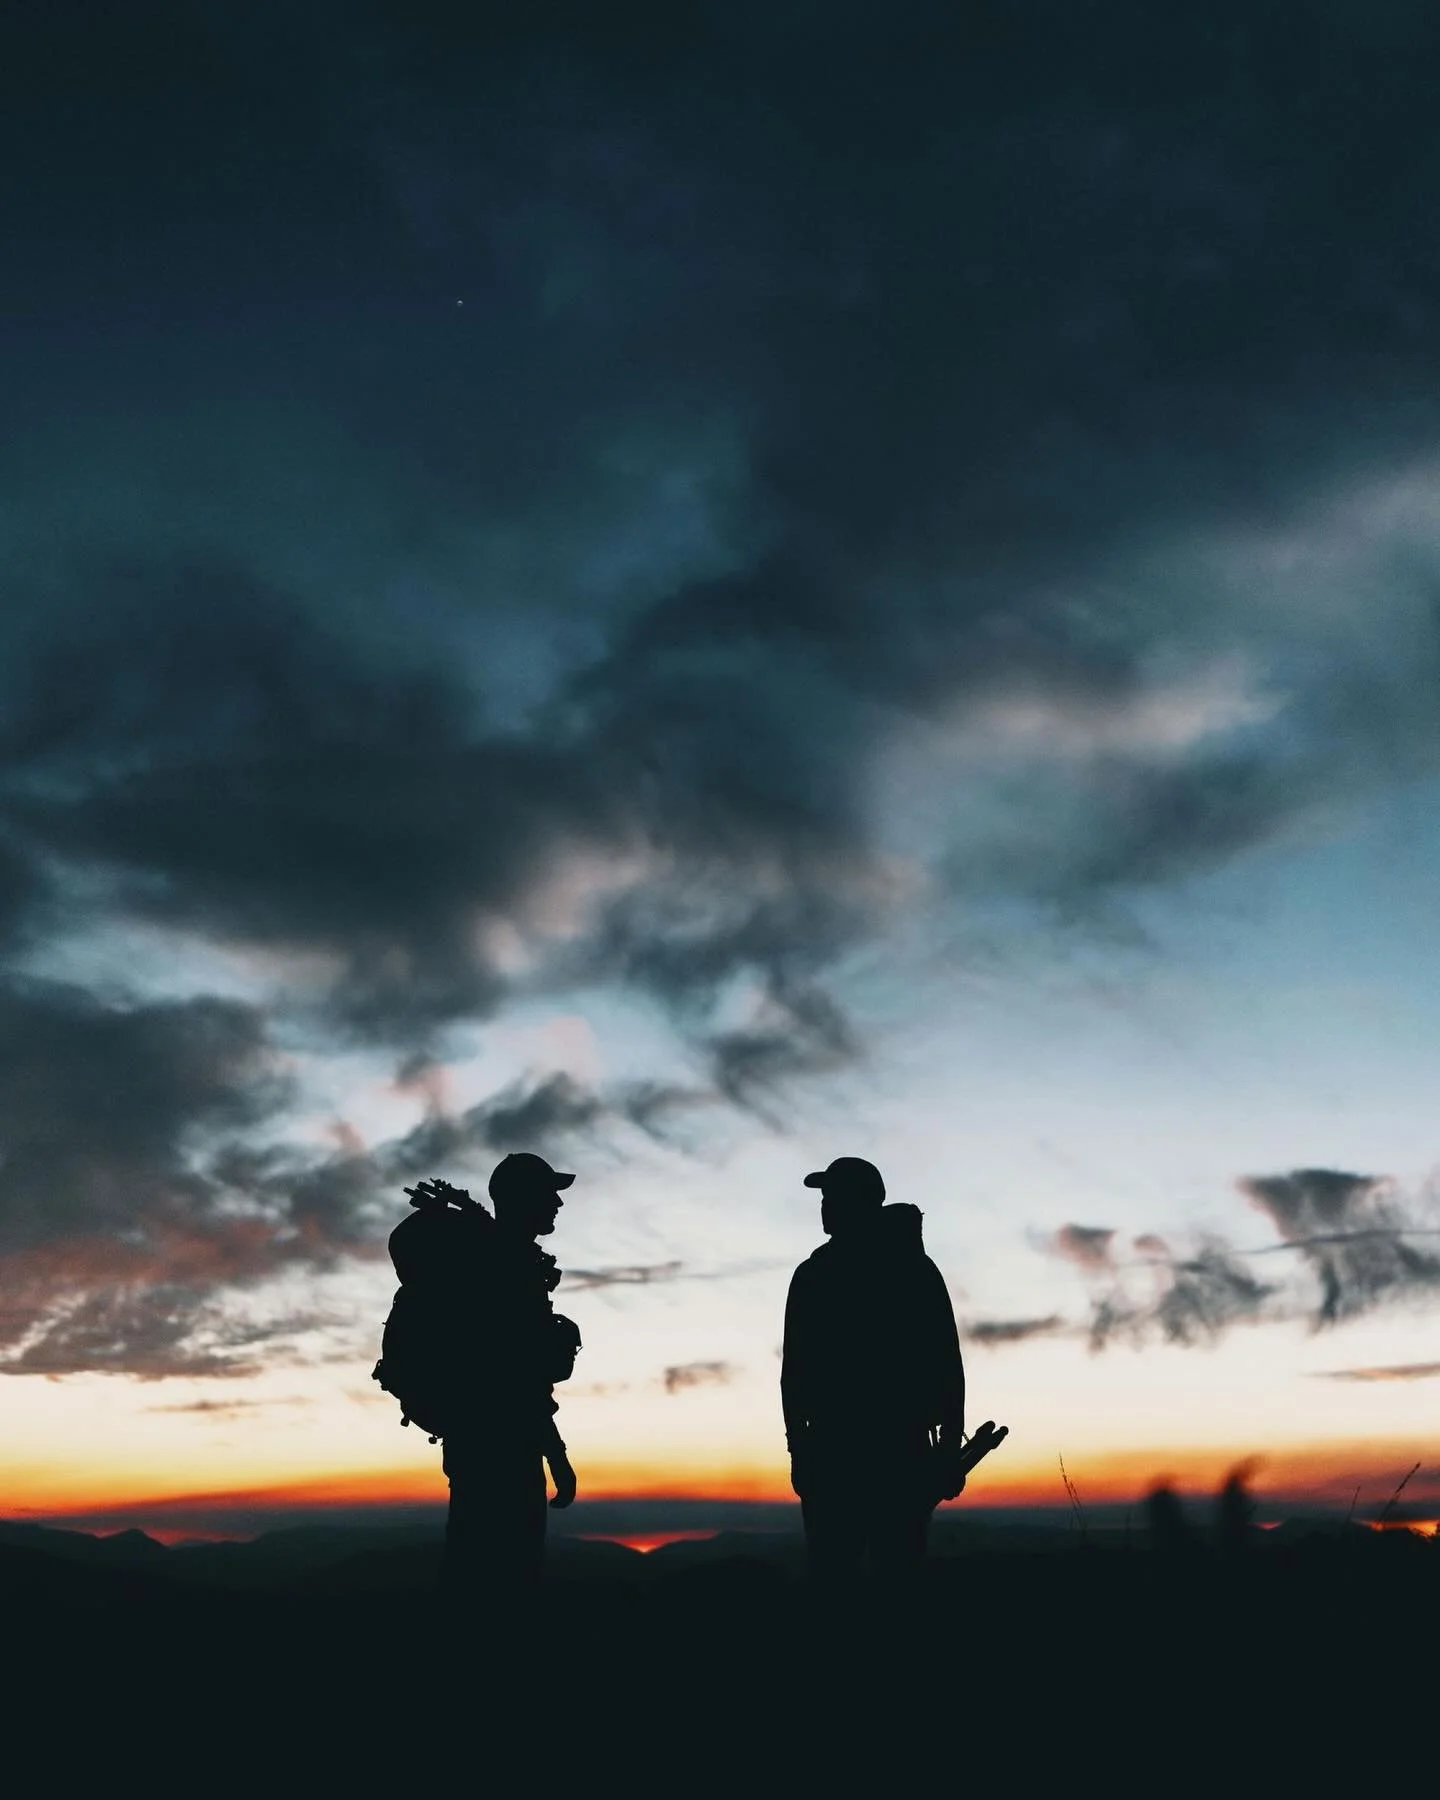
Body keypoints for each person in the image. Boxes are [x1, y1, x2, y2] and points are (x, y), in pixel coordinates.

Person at [385, 1153, 579, 1599]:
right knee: (494, 1576)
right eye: (549, 1193)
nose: (557, 1204)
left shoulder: (503, 1261)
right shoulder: (499, 1268)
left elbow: (521, 1377)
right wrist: (555, 1452)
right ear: (520, 1198)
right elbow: (513, 1377)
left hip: (487, 1440)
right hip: (497, 1445)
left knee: (477, 1567)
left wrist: (552, 1452)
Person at [781, 1156, 966, 1581]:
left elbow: (945, 1364)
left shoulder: (815, 1276)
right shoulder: (911, 1269)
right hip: (870, 1452)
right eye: (823, 1198)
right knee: (886, 1574)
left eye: (833, 1197)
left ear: (861, 1202)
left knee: (852, 1577)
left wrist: (800, 1450)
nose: (824, 1206)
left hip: (860, 1453)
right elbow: (948, 1366)